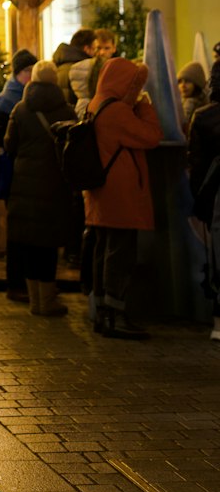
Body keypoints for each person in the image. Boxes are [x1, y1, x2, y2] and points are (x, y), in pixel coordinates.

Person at [83, 57, 162, 339]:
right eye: (135, 84)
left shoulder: (97, 104)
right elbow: (151, 136)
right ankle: (115, 316)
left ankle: (103, 314)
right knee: (120, 255)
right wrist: (144, 105)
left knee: (104, 252)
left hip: (102, 194)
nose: (137, 89)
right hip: (120, 196)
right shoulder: (117, 111)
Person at [3, 61, 76, 317]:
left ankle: (35, 300)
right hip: (54, 187)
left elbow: (9, 145)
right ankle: (47, 301)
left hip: (24, 185)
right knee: (48, 245)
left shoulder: (21, 109)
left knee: (30, 245)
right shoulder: (67, 110)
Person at [0, 48, 38, 302]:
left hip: (28, 174)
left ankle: (29, 283)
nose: (31, 75)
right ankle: (16, 284)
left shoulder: (33, 98)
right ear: (19, 73)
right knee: (18, 231)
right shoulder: (7, 101)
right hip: (15, 173)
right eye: (28, 71)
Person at [188, 59, 220, 342]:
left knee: (217, 256)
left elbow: (196, 165)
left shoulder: (203, 116)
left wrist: (199, 197)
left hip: (214, 193)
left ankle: (218, 321)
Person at [54, 29, 97, 108]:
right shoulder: (82, 70)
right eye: (94, 49)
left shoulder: (59, 66)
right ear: (86, 48)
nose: (96, 53)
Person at [177, 61, 208, 129]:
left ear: (197, 84)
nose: (183, 85)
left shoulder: (203, 107)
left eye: (187, 81)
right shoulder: (178, 103)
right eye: (180, 82)